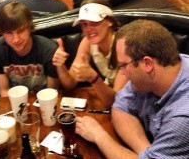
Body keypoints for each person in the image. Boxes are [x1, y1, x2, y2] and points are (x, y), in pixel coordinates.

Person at [75, 19, 189, 158]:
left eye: (124, 65)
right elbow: (120, 105)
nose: (122, 72)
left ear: (147, 63)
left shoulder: (182, 118)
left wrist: (99, 136)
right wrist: (146, 152)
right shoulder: (159, 71)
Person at [52, 0, 127, 108]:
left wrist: (93, 78)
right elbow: (70, 84)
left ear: (109, 21)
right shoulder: (87, 42)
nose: (88, 29)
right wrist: (60, 65)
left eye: (94, 22)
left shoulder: (124, 46)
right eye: (84, 24)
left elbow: (115, 102)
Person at [0, 2, 59, 97]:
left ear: (30, 28)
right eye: (9, 33)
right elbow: (4, 91)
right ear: (2, 33)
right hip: (14, 101)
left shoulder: (48, 49)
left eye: (21, 31)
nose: (16, 39)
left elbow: (52, 92)